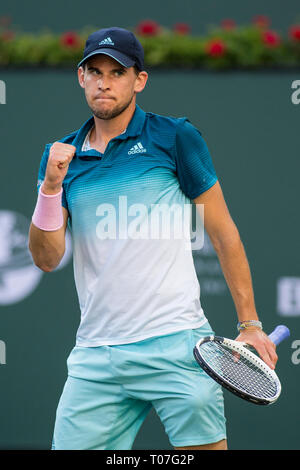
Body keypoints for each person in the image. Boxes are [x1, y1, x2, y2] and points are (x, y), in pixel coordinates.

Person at [28, 27, 278, 451]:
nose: (105, 81)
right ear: (81, 77)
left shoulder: (175, 138)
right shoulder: (60, 157)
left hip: (178, 346)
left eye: (117, 72)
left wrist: (250, 325)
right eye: (95, 71)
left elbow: (222, 232)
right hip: (96, 356)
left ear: (138, 80)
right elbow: (47, 259)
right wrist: (50, 187)